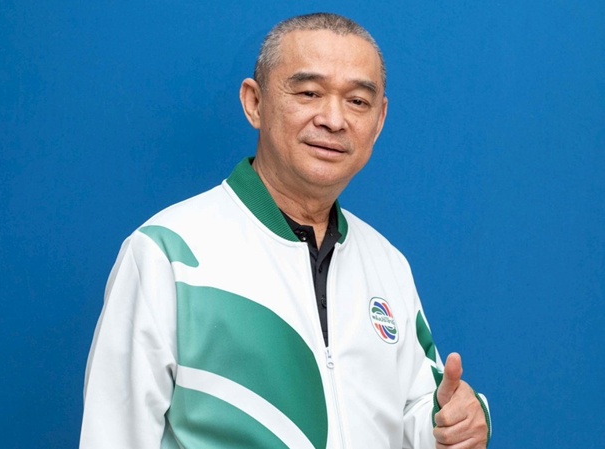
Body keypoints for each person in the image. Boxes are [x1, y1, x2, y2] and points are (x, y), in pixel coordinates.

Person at [80, 12, 491, 449]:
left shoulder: (387, 263)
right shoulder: (167, 253)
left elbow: (420, 414)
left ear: (380, 119)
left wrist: (455, 425)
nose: (333, 119)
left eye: (357, 101)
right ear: (254, 103)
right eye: (309, 92)